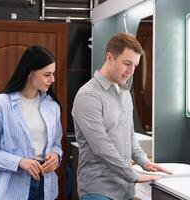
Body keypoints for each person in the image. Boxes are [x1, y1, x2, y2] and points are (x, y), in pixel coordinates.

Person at [72, 33, 172, 200]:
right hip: (99, 190)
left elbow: (128, 133)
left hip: (125, 190)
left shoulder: (124, 93)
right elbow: (101, 147)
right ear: (109, 57)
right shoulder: (88, 96)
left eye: (135, 65)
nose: (131, 71)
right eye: (127, 63)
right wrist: (133, 175)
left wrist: (143, 161)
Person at [0, 45, 63, 200]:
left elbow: (56, 143)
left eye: (53, 74)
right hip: (10, 188)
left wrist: (56, 155)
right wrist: (19, 162)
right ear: (30, 72)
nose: (52, 80)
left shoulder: (52, 106)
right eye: (47, 74)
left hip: (46, 186)